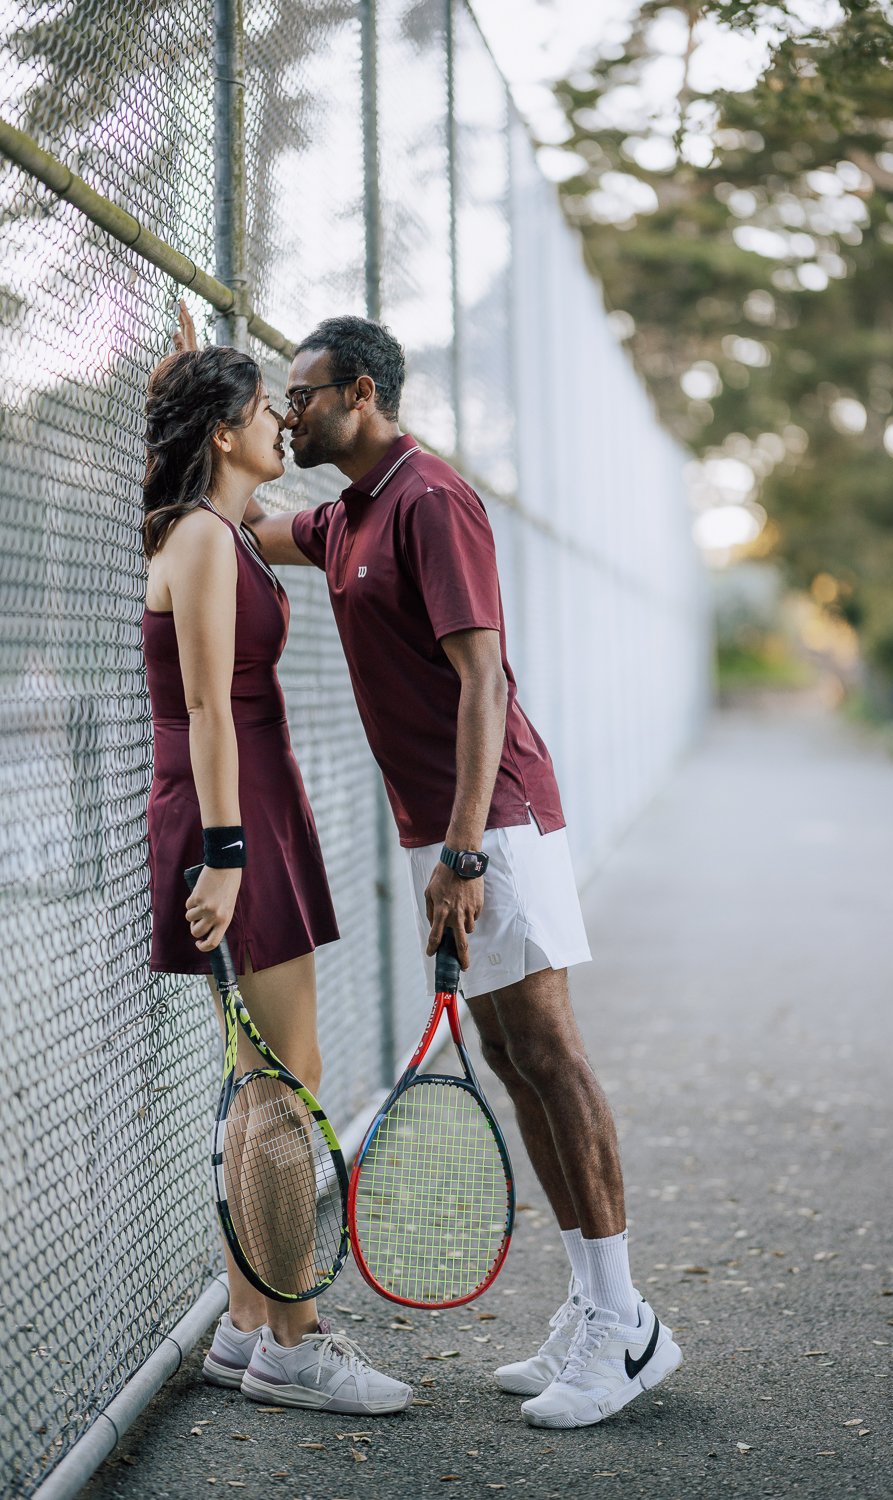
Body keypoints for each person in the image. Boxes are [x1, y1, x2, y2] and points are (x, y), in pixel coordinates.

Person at [236, 311, 683, 1429]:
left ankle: (623, 1324)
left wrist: (466, 849)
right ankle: (597, 1311)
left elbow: (483, 683)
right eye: (280, 398)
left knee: (549, 1051)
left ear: (366, 394)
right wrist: (196, 396)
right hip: (446, 830)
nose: (291, 412)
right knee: (510, 1053)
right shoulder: (346, 518)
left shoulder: (432, 501)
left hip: (497, 824)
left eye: (306, 393)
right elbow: (239, 520)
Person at [141, 340, 411, 1416]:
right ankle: (295, 1341)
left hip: (247, 805)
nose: (281, 428)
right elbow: (207, 707)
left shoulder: (220, 530)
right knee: (286, 1086)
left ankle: (250, 1326)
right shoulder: (204, 539)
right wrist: (225, 855)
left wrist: (180, 371)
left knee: (262, 1082)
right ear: (223, 435)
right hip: (231, 814)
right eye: (263, 412)